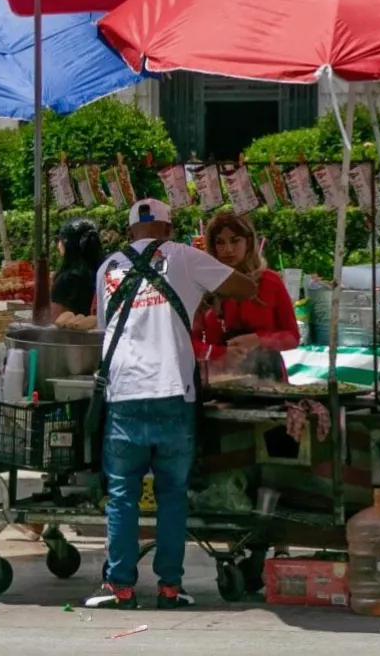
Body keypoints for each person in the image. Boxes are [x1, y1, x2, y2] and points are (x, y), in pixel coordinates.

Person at [88, 199, 257, 611]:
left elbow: (103, 327)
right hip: (173, 392)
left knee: (124, 494)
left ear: (130, 234)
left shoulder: (107, 268)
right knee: (172, 494)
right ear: (168, 228)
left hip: (124, 391)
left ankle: (120, 587)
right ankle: (169, 587)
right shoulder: (183, 255)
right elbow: (246, 288)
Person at [192, 212, 300, 375]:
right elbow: (189, 341)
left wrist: (258, 340)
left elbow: (292, 337)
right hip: (219, 380)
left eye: (235, 241)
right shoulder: (203, 286)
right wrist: (217, 353)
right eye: (220, 242)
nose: (228, 249)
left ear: (248, 242)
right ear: (212, 247)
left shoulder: (270, 281)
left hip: (269, 379)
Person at [50, 217, 104, 321]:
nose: (58, 245)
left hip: (74, 336)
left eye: (59, 240)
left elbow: (55, 321)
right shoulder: (106, 272)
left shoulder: (67, 279)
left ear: (67, 243)